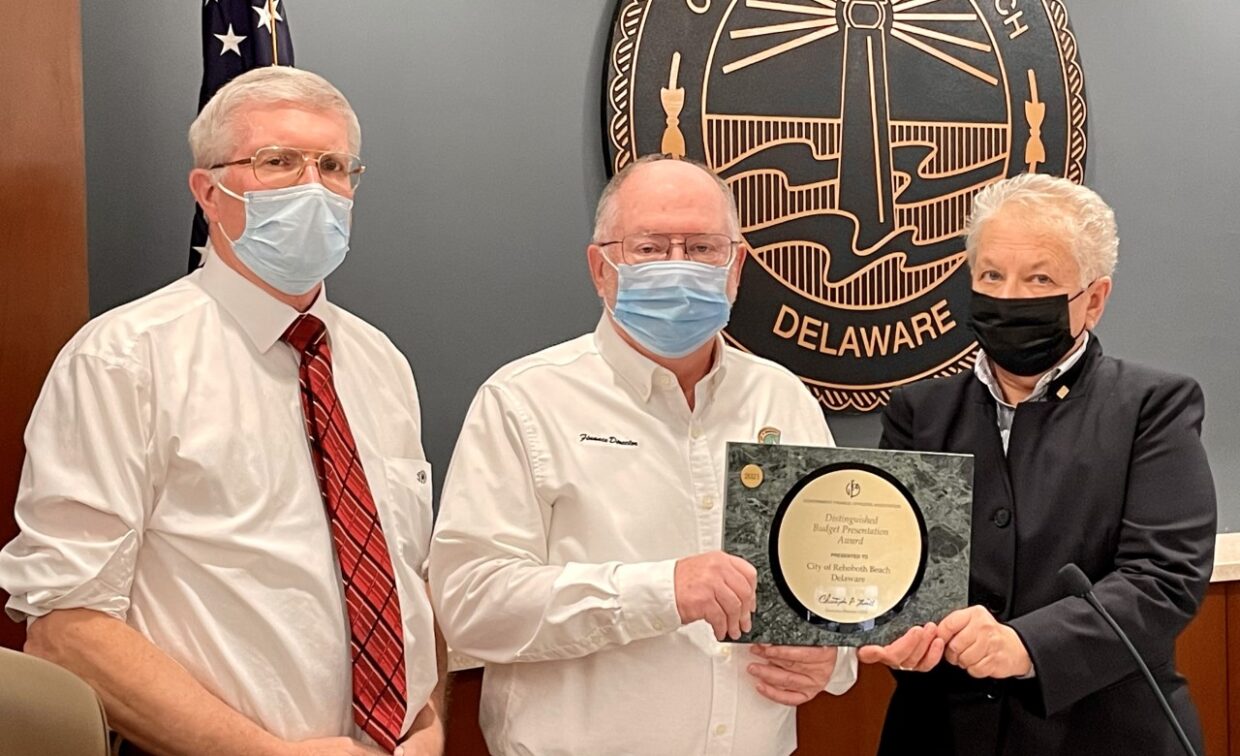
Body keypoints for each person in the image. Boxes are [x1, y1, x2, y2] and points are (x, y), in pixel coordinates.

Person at [0, 67, 444, 756]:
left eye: (333, 166)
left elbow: (401, 580)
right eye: (277, 162)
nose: (313, 186)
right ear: (209, 191)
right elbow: (66, 628)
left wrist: (428, 721)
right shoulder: (124, 361)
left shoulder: (381, 363)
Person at [428, 155, 857, 756]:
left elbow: (831, 584)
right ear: (600, 269)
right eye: (650, 247)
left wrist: (831, 660)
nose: (678, 266)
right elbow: (472, 604)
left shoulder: (782, 398)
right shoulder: (524, 401)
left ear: (736, 267)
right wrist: (664, 591)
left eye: (704, 248)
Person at [858, 173, 1217, 755]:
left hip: (1104, 734)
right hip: (942, 733)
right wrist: (892, 627)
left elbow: (1163, 579)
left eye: (1040, 278)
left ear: (1094, 300)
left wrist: (1025, 645)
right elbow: (890, 562)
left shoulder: (1153, 407)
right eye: (991, 275)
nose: (1010, 296)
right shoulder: (918, 413)